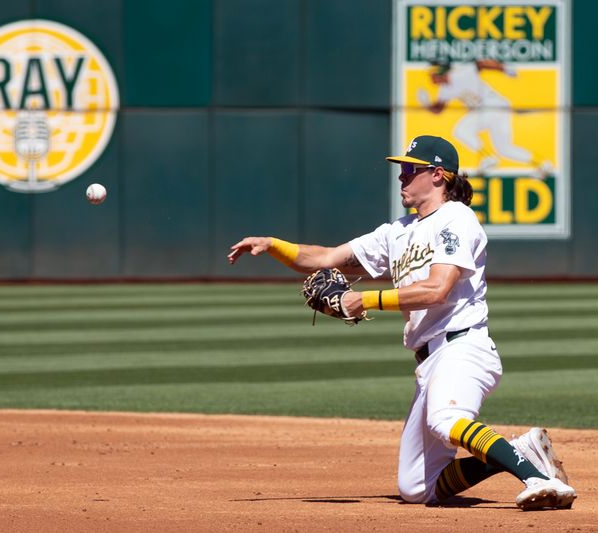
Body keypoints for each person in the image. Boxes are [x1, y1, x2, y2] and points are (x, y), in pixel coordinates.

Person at [228, 135, 576, 510]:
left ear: (438, 175)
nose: (402, 178)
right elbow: (328, 257)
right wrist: (274, 245)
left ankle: (539, 478)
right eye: (401, 170)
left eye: (411, 170)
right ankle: (518, 451)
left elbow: (437, 289)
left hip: (463, 347)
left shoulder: (456, 219)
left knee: (447, 419)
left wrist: (364, 298)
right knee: (416, 488)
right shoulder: (398, 231)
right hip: (429, 361)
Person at [425, 60, 552, 177]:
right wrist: (426, 105)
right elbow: (438, 109)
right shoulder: (445, 89)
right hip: (496, 108)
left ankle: (488, 157)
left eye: (432, 74)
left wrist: (504, 68)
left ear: (440, 72)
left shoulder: (461, 73)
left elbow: (480, 64)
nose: (431, 78)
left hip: (491, 105)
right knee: (505, 149)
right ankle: (542, 163)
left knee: (461, 130)